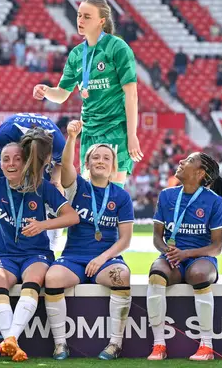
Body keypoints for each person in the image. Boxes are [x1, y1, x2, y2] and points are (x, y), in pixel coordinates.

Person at [0, 129, 80, 362]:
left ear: (25, 162)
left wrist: (43, 225)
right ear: (0, 164)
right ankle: (12, 341)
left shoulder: (41, 186)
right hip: (3, 254)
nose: (11, 163)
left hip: (35, 254)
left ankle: (11, 338)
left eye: (17, 159)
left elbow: (72, 217)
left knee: (34, 279)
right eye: (5, 159)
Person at [145, 152, 222, 361]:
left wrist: (186, 254)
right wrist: (168, 251)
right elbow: (157, 238)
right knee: (156, 274)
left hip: (200, 258)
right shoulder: (166, 195)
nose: (181, 162)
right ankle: (159, 345)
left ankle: (206, 346)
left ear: (200, 173)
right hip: (173, 258)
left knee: (199, 274)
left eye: (189, 161)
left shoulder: (214, 201)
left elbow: (216, 247)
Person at [44, 120, 134, 360]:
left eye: (106, 158)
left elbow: (125, 240)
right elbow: (65, 166)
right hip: (73, 258)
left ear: (114, 167)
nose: (101, 161)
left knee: (121, 276)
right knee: (52, 278)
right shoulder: (76, 186)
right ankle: (60, 344)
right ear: (87, 163)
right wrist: (72, 137)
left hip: (106, 259)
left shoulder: (121, 196)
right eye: (96, 157)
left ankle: (115, 344)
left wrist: (102, 257)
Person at [33, 0, 143, 187]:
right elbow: (61, 94)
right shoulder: (76, 54)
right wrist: (46, 91)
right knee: (90, 193)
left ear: (101, 21)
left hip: (115, 128)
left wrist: (132, 135)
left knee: (112, 195)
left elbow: (131, 95)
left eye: (86, 17)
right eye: (78, 15)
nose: (80, 21)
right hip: (89, 130)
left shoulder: (117, 48)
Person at [0, 113, 66, 249]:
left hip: (39, 152)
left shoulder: (58, 144)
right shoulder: (3, 137)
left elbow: (61, 164)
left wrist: (55, 180)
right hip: (4, 155)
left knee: (56, 191)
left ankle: (53, 248)